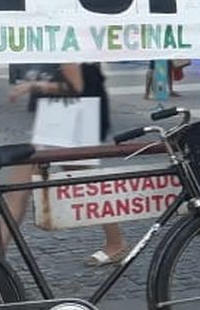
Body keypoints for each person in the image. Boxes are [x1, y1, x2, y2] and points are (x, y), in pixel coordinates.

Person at [7, 62, 127, 265]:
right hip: (58, 121)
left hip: (71, 123)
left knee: (86, 185)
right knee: (18, 190)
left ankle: (116, 242)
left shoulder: (66, 45)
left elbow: (76, 86)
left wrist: (33, 86)